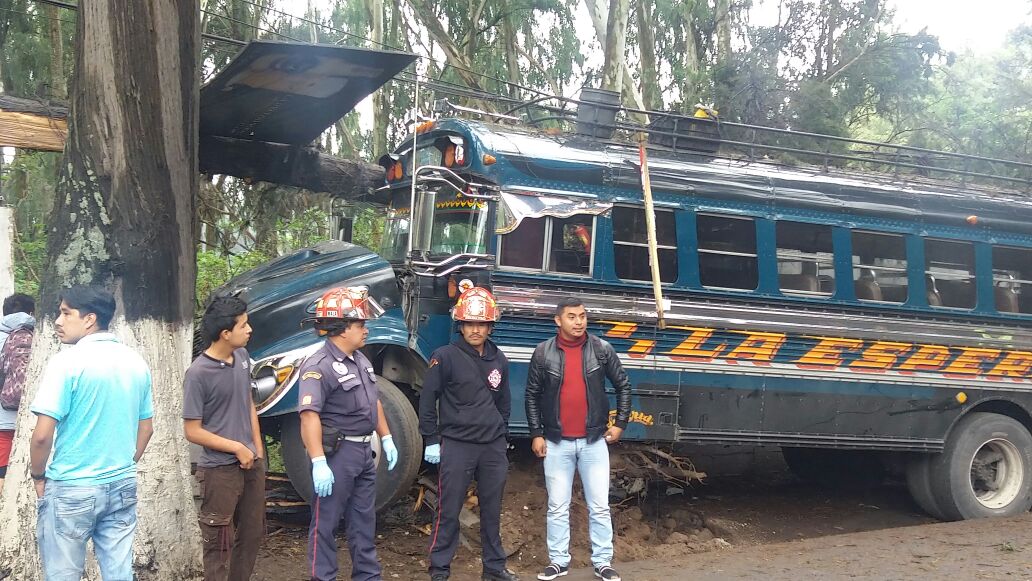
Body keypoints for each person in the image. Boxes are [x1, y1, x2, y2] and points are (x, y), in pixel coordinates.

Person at [29, 286, 154, 581]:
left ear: (89, 319)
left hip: (72, 487)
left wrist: (38, 476)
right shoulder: (136, 362)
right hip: (121, 484)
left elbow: (42, 436)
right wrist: (124, 464)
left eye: (65, 313)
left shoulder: (66, 363)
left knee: (63, 574)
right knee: (119, 572)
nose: (58, 321)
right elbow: (146, 429)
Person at [525, 297, 632, 581]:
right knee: (557, 507)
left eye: (582, 316)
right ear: (558, 321)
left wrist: (620, 424)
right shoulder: (543, 352)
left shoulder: (601, 349)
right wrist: (536, 433)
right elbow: (532, 395)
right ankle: (558, 562)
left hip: (593, 441)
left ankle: (603, 562)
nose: (579, 322)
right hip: (556, 442)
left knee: (599, 506)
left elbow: (623, 385)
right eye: (572, 317)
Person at [297, 286, 399, 581]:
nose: (366, 329)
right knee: (326, 523)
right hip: (337, 455)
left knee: (364, 520)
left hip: (364, 452)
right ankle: (323, 577)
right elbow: (308, 416)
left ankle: (367, 576)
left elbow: (373, 401)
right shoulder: (318, 366)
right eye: (360, 324)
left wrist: (387, 437)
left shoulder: (360, 360)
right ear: (342, 329)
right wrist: (318, 461)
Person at [419, 287, 518, 581]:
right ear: (460, 325)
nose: (476, 330)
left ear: (490, 326)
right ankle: (439, 570)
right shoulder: (444, 357)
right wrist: (431, 439)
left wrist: (501, 434)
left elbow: (504, 402)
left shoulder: (499, 358)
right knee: (448, 511)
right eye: (470, 323)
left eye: (482, 324)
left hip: (492, 447)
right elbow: (428, 400)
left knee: (492, 510)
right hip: (457, 445)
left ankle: (494, 568)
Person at [183, 296, 266, 581]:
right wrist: (236, 447)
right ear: (225, 333)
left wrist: (256, 449)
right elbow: (192, 430)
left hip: (252, 464)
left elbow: (247, 401)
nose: (249, 329)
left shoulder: (242, 357)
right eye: (243, 325)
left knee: (252, 534)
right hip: (219, 470)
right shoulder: (198, 373)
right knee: (218, 542)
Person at [0, 292, 35, 491]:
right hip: (33, 419)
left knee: (2, 473)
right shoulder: (42, 335)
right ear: (32, 312)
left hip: (2, 419)